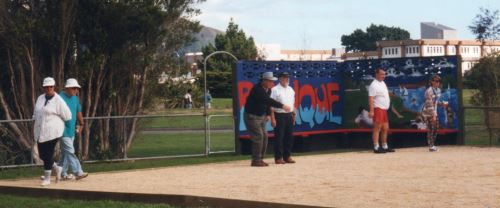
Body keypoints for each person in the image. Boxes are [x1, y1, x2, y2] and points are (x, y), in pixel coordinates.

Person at [244, 72, 291, 167]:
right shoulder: (257, 89)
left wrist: (269, 114)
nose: (272, 83)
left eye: (273, 81)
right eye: (270, 81)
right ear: (264, 80)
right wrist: (282, 106)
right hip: (252, 116)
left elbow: (267, 104)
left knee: (265, 137)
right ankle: (256, 160)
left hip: (261, 116)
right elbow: (267, 100)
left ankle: (260, 159)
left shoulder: (268, 90)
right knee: (258, 137)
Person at [34, 77, 72, 186]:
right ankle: (57, 168)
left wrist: (65, 126)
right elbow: (37, 111)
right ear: (43, 87)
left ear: (54, 87)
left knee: (48, 154)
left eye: (51, 86)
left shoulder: (58, 100)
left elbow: (67, 115)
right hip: (41, 131)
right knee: (42, 155)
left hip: (53, 132)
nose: (48, 88)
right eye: (46, 87)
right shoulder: (40, 98)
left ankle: (47, 179)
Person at [58, 78, 89, 180]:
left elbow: (78, 111)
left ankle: (62, 173)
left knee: (65, 154)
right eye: (74, 88)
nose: (76, 90)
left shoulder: (75, 98)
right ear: (67, 88)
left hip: (71, 130)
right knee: (70, 151)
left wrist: (81, 123)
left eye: (77, 88)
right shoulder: (59, 98)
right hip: (62, 131)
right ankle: (78, 172)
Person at [270, 72, 296, 164]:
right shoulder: (274, 90)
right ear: (280, 79)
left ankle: (287, 156)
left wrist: (293, 113)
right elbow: (271, 105)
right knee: (279, 137)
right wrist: (273, 118)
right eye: (284, 78)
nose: (286, 79)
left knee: (289, 136)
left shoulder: (291, 89)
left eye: (287, 78)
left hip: (289, 115)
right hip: (279, 115)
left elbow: (292, 103)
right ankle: (278, 157)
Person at [368, 68, 395, 154]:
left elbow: (383, 94)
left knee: (385, 128)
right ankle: (376, 147)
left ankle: (384, 146)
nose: (384, 76)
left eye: (384, 74)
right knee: (377, 128)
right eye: (382, 74)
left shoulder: (382, 83)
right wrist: (372, 111)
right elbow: (371, 98)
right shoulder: (373, 85)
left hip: (384, 109)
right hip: (378, 108)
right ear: (376, 74)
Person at [422, 75, 445, 152]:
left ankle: (432, 144)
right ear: (431, 82)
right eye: (435, 81)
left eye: (438, 81)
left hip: (434, 112)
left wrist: (442, 104)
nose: (437, 83)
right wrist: (433, 115)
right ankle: (431, 146)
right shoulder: (429, 91)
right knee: (431, 129)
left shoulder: (438, 90)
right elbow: (429, 104)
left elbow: (436, 101)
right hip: (428, 112)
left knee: (436, 128)